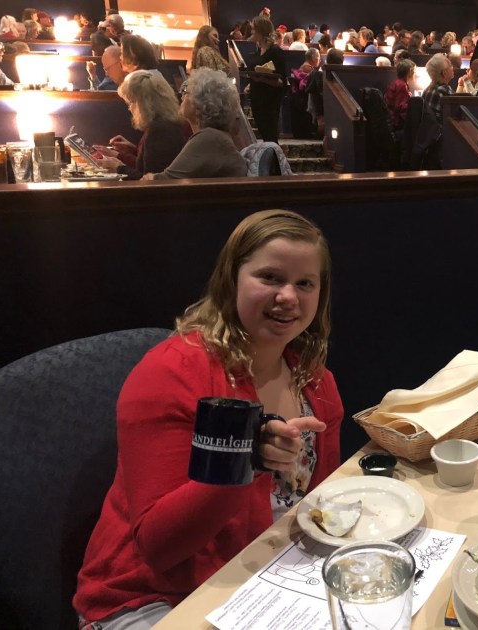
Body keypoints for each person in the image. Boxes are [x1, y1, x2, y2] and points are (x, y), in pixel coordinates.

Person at [73, 208, 343, 627]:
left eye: (305, 283)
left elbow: (318, 512)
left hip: (264, 577)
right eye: (270, 277)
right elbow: (159, 547)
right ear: (231, 279)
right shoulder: (170, 373)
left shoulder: (316, 380)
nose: (289, 296)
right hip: (152, 595)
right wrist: (244, 463)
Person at [144, 68, 248, 179]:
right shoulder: (215, 136)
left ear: (199, 106)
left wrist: (149, 178)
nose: (182, 97)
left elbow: (164, 181)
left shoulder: (208, 137)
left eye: (186, 93)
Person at [96, 70, 188, 180]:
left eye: (130, 103)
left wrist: (119, 168)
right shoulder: (164, 123)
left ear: (144, 103)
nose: (129, 108)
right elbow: (153, 162)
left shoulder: (160, 130)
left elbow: (148, 181)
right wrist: (134, 150)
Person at [247, 16, 287, 143]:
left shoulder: (275, 51)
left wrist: (261, 80)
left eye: (253, 29)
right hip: (257, 98)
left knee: (270, 136)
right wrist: (250, 84)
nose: (251, 32)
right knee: (265, 134)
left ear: (261, 31)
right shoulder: (258, 51)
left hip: (269, 101)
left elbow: (282, 82)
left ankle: (274, 156)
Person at [422, 53, 454, 123]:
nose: (453, 68)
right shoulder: (445, 92)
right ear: (444, 73)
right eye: (450, 65)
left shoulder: (427, 90)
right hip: (442, 129)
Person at [385, 58, 415, 129]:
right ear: (410, 72)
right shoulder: (402, 85)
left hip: (391, 118)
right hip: (397, 121)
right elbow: (399, 107)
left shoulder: (397, 82)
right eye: (414, 71)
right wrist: (413, 104)